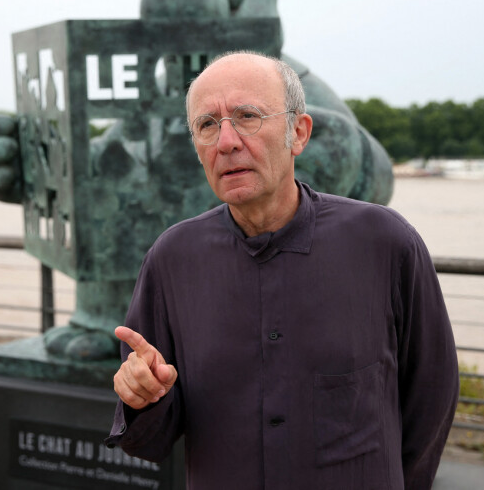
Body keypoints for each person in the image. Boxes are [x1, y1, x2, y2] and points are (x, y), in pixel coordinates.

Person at [106, 51, 459, 490]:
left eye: (247, 116)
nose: (227, 141)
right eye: (207, 125)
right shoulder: (173, 259)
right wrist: (144, 397)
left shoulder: (384, 242)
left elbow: (432, 395)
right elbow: (150, 441)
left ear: (298, 131)